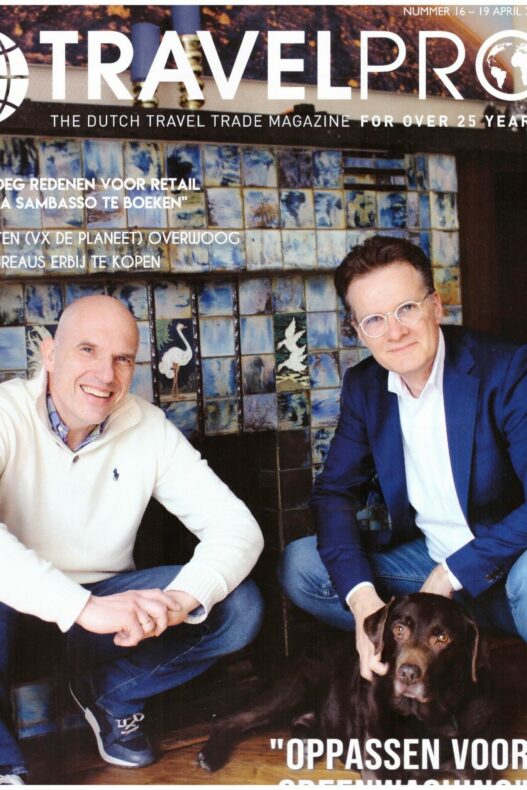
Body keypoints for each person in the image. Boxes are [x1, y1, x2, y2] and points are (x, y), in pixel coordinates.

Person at [0, 295, 264, 783]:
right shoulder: (5, 414)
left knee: (238, 606)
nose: (105, 374)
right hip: (14, 619)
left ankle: (111, 696)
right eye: (87, 350)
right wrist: (82, 607)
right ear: (50, 354)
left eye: (122, 359)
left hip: (107, 624)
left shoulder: (147, 426)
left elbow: (237, 526)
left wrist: (183, 600)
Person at [279, 234, 527, 682]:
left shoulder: (506, 370)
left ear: (436, 306)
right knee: (303, 567)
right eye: (374, 319)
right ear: (358, 331)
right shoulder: (366, 386)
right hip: (427, 570)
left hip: (509, 569)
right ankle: (444, 644)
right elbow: (333, 494)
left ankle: (459, 643)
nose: (394, 332)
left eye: (406, 309)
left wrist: (453, 573)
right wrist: (365, 607)